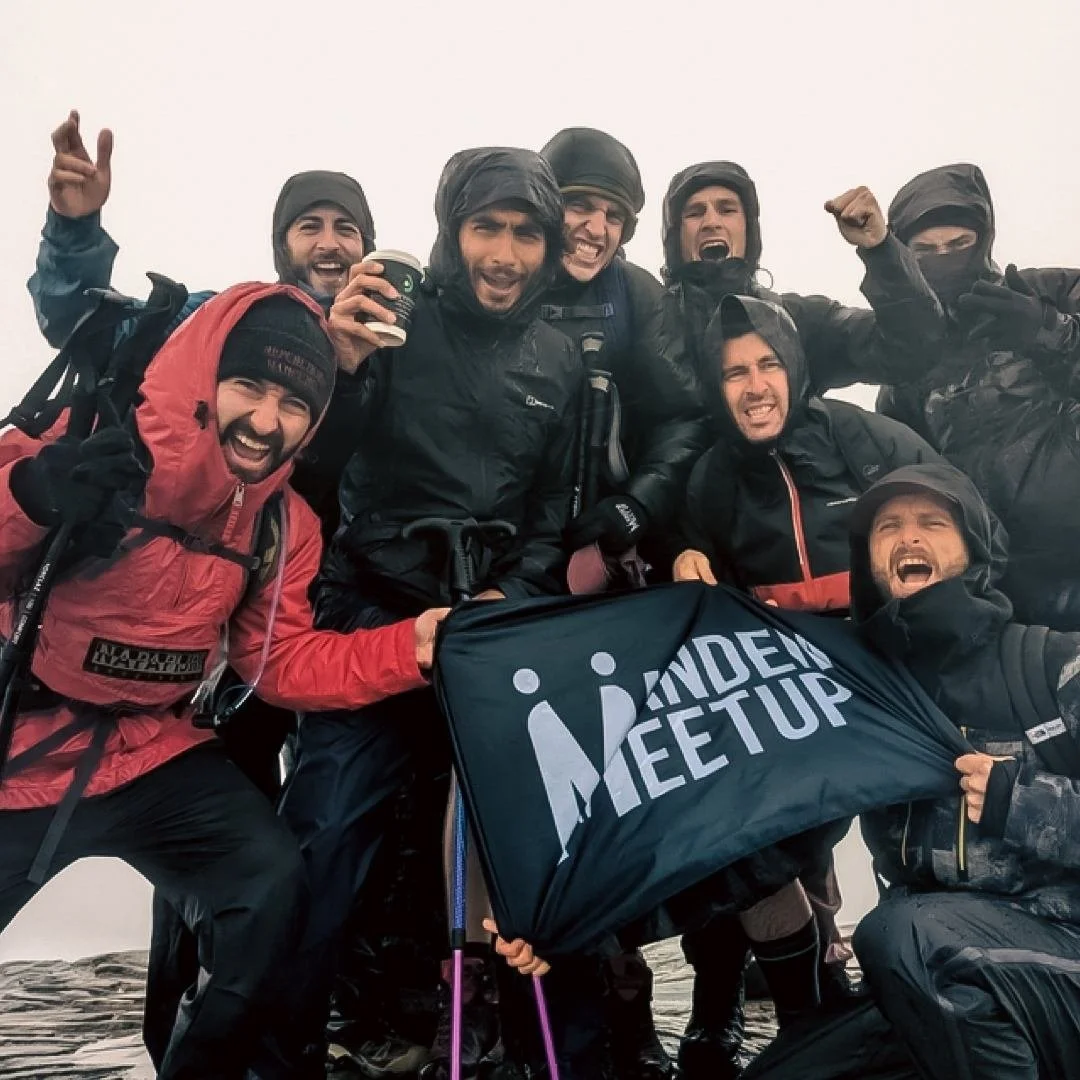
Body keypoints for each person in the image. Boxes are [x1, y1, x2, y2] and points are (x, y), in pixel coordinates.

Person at [0, 283, 446, 1080]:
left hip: (146, 754)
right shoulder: (98, 440)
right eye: (249, 386)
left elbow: (278, 663)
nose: (268, 421)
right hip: (21, 751)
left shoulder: (282, 524)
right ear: (205, 378)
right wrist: (31, 498)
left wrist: (408, 647)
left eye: (293, 402)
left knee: (268, 885)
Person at [253, 147, 585, 1080]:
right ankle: (281, 1048)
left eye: (528, 233)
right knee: (327, 831)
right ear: (455, 232)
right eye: (489, 227)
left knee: (503, 836)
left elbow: (552, 515)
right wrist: (346, 362)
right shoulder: (393, 314)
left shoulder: (558, 357)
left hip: (483, 626)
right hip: (369, 610)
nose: (508, 252)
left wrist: (507, 596)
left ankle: (490, 1034)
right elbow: (311, 470)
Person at [670, 293, 939, 1077]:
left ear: (795, 369)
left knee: (912, 849)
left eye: (768, 366)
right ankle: (802, 1022)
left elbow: (959, 524)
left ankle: (918, 995)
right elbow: (695, 561)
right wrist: (685, 558)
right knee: (746, 849)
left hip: (894, 679)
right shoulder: (715, 476)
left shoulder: (863, 436)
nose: (755, 386)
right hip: (792, 697)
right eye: (733, 373)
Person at [840, 460, 1080, 1079]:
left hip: (1065, 956)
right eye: (887, 526)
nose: (908, 537)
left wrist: (1018, 801)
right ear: (868, 559)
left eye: (932, 523)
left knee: (901, 931)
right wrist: (565, 922)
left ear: (972, 549)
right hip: (942, 972)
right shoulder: (862, 691)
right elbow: (760, 833)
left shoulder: (1053, 663)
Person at [878, 163, 1080, 630]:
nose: (943, 258)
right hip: (1006, 588)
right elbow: (906, 474)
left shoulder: (1052, 291)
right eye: (925, 251)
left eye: (958, 245)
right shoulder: (906, 360)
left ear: (984, 238)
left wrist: (1050, 332)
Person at [538, 127, 706, 587]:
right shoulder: (501, 282)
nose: (597, 229)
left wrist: (638, 504)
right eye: (580, 206)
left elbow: (685, 416)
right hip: (502, 539)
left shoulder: (637, 294)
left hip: (601, 543)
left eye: (614, 216)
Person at [661, 160, 945, 404]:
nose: (711, 222)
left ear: (749, 230)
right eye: (695, 213)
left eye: (727, 209)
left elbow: (910, 350)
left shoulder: (800, 322)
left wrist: (881, 250)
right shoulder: (648, 321)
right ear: (675, 235)